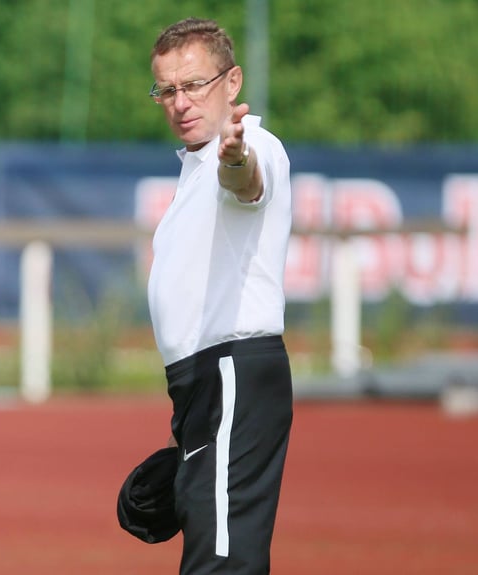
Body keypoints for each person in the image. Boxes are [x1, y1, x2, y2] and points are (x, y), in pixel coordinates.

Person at [146, 17, 293, 574]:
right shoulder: (193, 168)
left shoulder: (250, 143)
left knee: (223, 560)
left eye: (194, 85)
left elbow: (246, 181)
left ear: (231, 83)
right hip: (201, 386)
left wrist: (234, 157)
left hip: (234, 373)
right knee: (211, 539)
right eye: (167, 89)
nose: (180, 101)